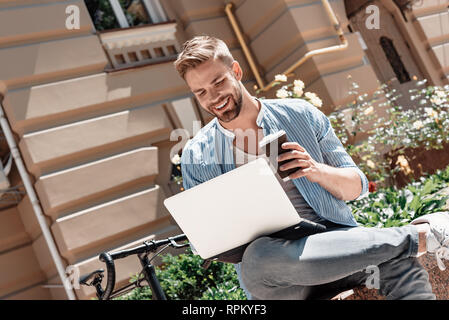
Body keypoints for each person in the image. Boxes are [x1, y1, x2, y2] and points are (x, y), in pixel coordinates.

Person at [173, 35, 449, 300]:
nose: (213, 97)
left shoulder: (300, 114)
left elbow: (357, 187)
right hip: (280, 279)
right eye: (201, 92)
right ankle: (423, 235)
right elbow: (205, 243)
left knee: (398, 264)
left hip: (340, 252)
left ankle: (410, 242)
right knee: (257, 256)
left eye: (218, 82)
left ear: (236, 70)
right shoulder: (197, 156)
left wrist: (316, 170)